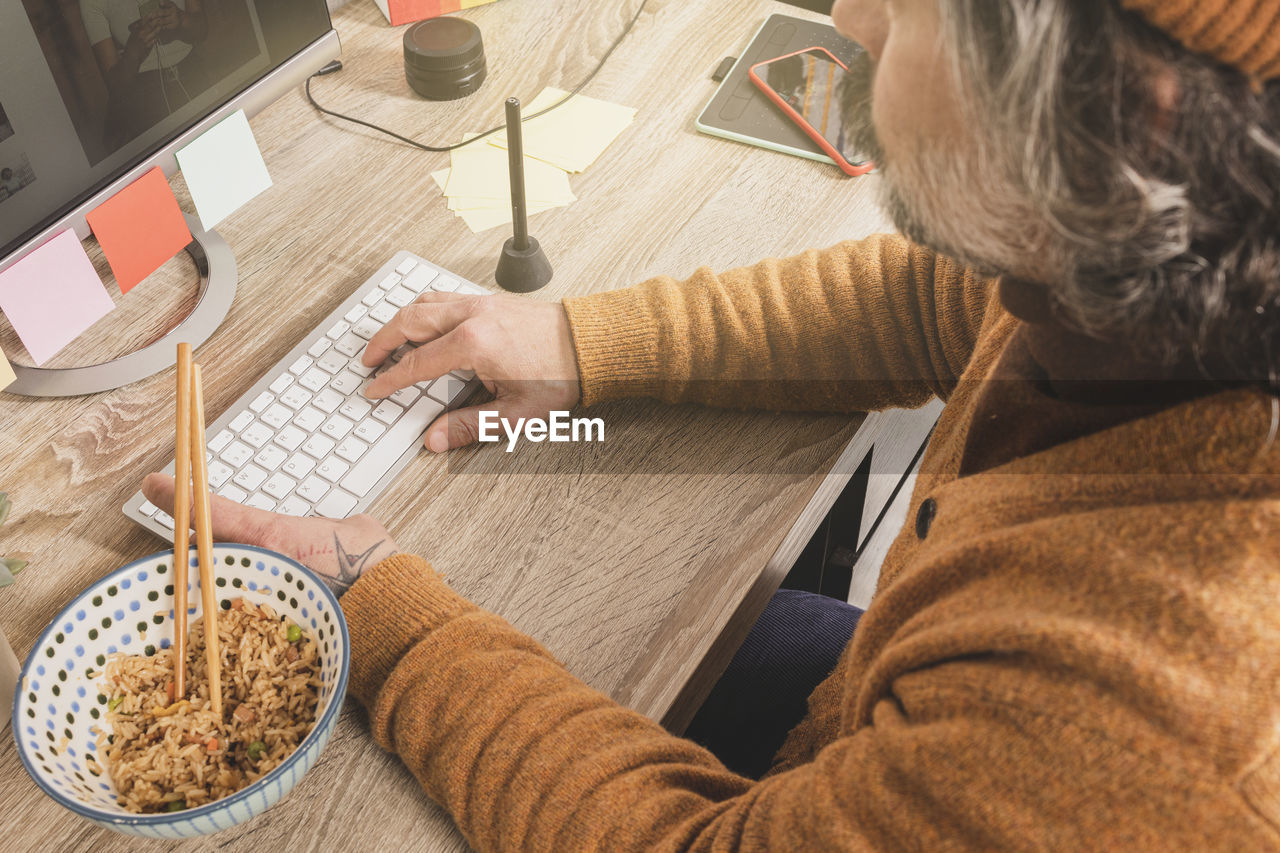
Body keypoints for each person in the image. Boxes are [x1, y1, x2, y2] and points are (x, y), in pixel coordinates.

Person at [144, 0, 1280, 847]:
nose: (851, 16)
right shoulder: (1126, 281)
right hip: (860, 707)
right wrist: (582, 346)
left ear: (1124, 120)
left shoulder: (1138, 724)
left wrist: (378, 604)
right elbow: (944, 297)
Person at [81, 0, 208, 151]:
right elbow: (114, 86)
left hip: (193, 73)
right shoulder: (90, 3)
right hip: (145, 94)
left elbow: (202, 30)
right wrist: (133, 53)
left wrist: (182, 19)